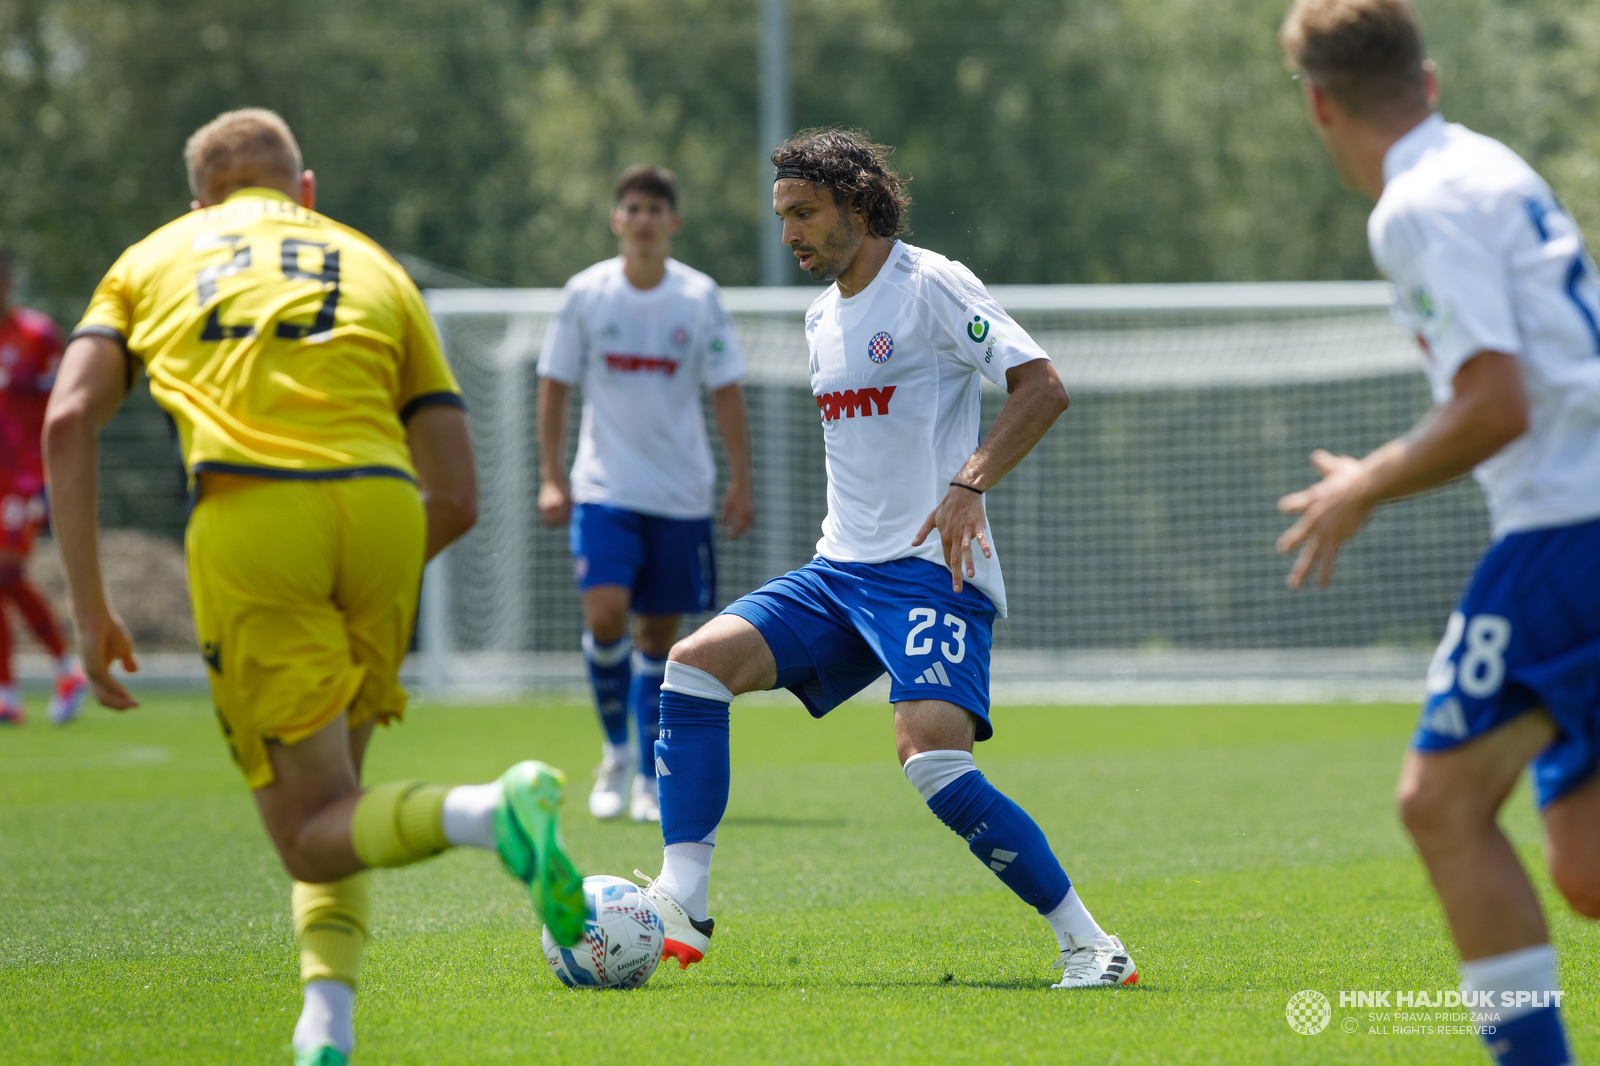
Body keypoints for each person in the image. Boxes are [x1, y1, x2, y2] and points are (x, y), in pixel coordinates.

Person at [46, 108, 585, 1066]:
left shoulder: (153, 256)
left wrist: (90, 612)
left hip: (255, 519)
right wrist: (366, 574)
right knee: (338, 807)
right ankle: (325, 1027)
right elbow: (456, 496)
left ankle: (490, 810)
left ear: (199, 198)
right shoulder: (371, 263)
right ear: (304, 190)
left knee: (305, 834)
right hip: (385, 511)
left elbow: (68, 420)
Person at [634, 128, 1137, 990]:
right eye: (782, 215)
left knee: (934, 762)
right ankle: (686, 899)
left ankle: (1093, 946)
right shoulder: (820, 315)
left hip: (926, 574)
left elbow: (1042, 385)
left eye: (804, 214)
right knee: (693, 667)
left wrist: (970, 482)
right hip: (839, 572)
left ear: (857, 208)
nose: (788, 233)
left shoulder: (930, 285)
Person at [1278, 3, 1600, 1063]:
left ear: (1318, 102)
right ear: (1429, 76)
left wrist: (1363, 481)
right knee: (1585, 866)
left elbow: (1495, 404)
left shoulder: (1415, 203)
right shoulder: (1489, 164)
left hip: (1568, 527)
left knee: (1438, 804)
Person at [537, 164, 755, 824]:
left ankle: (646, 775)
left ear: (672, 223)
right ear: (616, 219)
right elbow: (554, 385)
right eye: (632, 208)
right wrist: (552, 476)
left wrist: (741, 477)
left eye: (655, 209)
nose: (643, 220)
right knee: (605, 616)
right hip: (606, 489)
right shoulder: (586, 294)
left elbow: (726, 390)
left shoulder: (698, 296)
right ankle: (615, 753)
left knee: (658, 638)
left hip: (681, 495)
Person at [0, 251, 89, 725]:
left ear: (8, 283)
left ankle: (64, 667)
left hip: (23, 477)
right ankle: (8, 693)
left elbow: (61, 403)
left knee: (5, 574)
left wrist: (55, 473)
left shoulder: (36, 336)